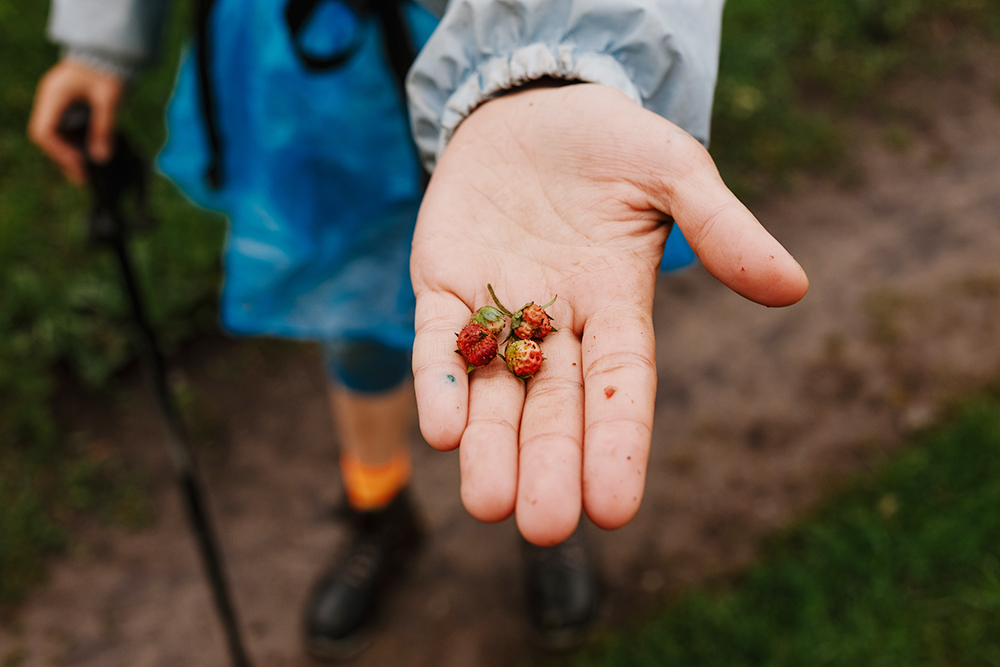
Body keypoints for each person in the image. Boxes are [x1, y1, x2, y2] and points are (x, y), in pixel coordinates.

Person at [29, 0, 809, 658]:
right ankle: (380, 507)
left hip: (476, 26)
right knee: (357, 318)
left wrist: (560, 58)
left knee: (558, 299)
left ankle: (548, 521)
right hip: (304, 79)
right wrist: (101, 37)